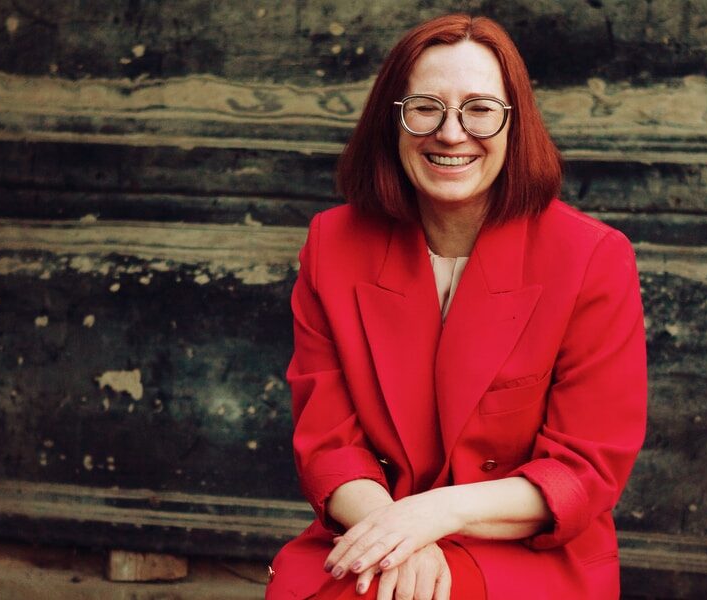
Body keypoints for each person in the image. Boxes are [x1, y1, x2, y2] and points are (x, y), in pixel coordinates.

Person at [265, 13, 647, 600]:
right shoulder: (332, 245)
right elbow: (329, 446)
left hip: (524, 550)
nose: (450, 132)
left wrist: (430, 516)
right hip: (375, 526)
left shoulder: (592, 257)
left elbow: (583, 471)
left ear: (513, 125)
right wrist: (400, 536)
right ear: (392, 120)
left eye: (480, 108)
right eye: (425, 106)